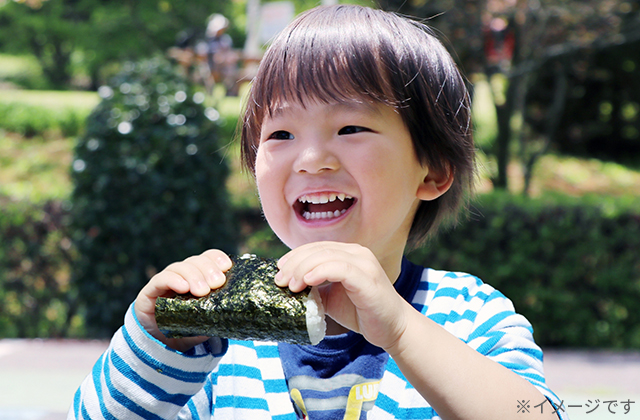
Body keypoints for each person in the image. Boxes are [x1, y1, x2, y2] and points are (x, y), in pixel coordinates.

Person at [69, 5, 567, 420]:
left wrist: (396, 327)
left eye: (351, 128)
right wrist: (155, 340)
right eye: (280, 135)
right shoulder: (218, 345)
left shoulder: (469, 316)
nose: (311, 160)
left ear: (433, 170)